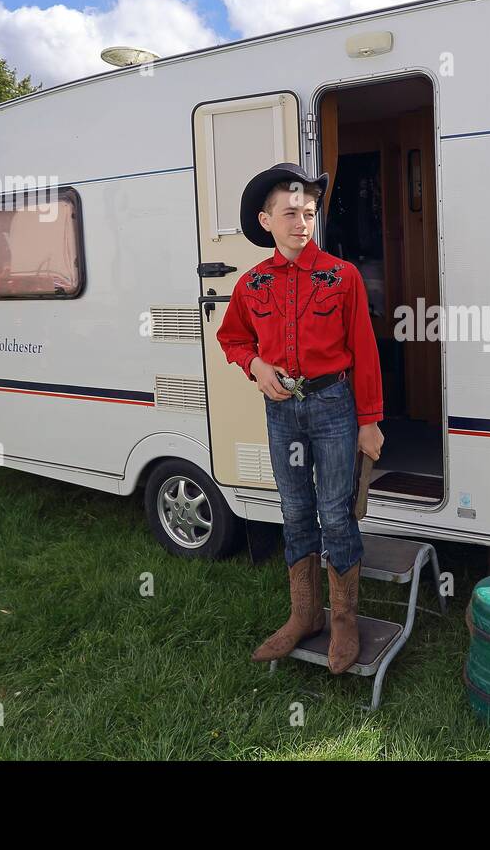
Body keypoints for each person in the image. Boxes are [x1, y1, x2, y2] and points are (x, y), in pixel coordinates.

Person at [216, 163, 384, 674]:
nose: (301, 222)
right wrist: (256, 365)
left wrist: (369, 420)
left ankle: (343, 623)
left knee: (335, 512)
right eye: (290, 213)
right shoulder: (251, 285)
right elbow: (232, 338)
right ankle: (304, 615)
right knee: (294, 509)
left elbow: (364, 350)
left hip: (334, 406)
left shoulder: (343, 276)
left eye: (309, 213)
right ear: (266, 220)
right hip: (282, 412)